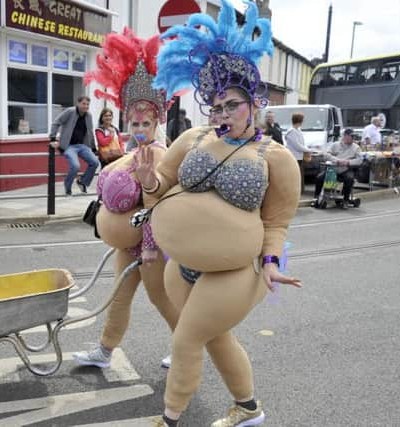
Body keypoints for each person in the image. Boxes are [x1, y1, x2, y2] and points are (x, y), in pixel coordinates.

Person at [144, 2, 302, 426]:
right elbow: (160, 186)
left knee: (187, 338)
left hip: (238, 269)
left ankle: (171, 418)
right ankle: (249, 409)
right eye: (216, 107)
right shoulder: (193, 138)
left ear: (253, 103)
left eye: (232, 105)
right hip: (182, 268)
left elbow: (278, 221)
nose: (223, 114)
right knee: (214, 337)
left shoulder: (276, 156)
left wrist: (271, 262)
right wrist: (146, 179)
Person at [73, 28, 179, 370]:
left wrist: (148, 245)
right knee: (118, 299)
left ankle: (185, 347)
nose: (138, 129)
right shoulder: (129, 151)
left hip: (150, 249)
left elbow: (155, 204)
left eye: (145, 123)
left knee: (161, 299)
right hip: (126, 247)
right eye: (134, 122)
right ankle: (104, 351)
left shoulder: (158, 155)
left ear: (157, 122)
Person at [49, 96, 100, 196]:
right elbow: (56, 123)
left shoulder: (88, 115)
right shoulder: (70, 111)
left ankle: (82, 182)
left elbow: (90, 132)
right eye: (83, 104)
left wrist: (93, 148)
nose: (86, 106)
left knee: (95, 162)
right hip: (69, 146)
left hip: (82, 145)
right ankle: (67, 186)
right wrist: (53, 138)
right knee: (75, 166)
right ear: (78, 103)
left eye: (87, 104)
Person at [314, 128, 363, 207]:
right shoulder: (335, 145)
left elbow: (360, 160)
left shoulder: (356, 147)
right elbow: (326, 155)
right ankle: (316, 198)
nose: (352, 138)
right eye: (351, 136)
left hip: (346, 169)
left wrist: (348, 162)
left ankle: (346, 200)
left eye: (353, 137)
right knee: (319, 178)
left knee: (349, 179)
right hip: (333, 169)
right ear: (345, 136)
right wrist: (337, 160)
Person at [284, 112, 312, 193]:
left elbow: (301, 144)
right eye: (302, 120)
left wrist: (307, 149)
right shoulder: (292, 131)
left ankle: (295, 191)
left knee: (297, 175)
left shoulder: (298, 130)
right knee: (292, 176)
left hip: (299, 157)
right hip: (293, 157)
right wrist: (309, 150)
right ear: (299, 121)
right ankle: (290, 192)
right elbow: (297, 146)